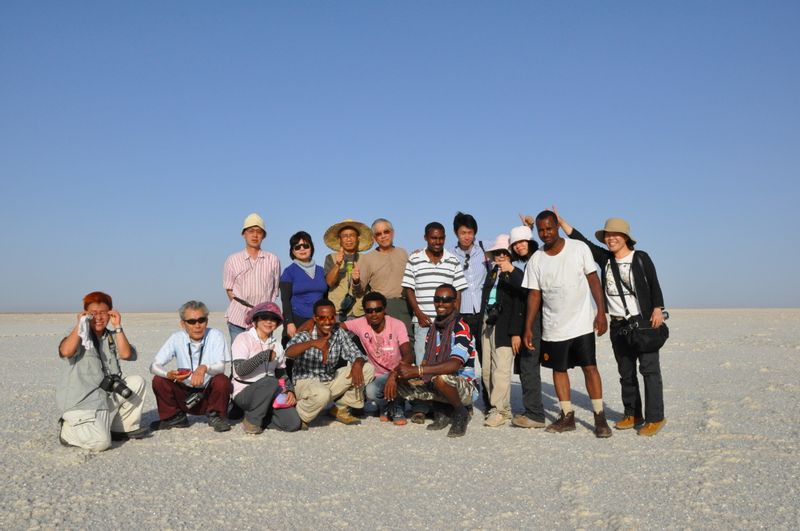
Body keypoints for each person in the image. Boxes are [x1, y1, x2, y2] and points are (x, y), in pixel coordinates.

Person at [557, 211, 667, 436]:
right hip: (618, 326)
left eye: (616, 235)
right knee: (626, 372)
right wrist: (561, 223)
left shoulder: (641, 257)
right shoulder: (606, 259)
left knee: (649, 371)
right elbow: (582, 241)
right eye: (607, 235)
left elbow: (654, 283)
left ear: (626, 237)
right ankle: (632, 414)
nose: (611, 239)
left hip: (644, 322)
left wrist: (658, 308)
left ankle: (656, 417)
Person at [522, 210, 612, 438]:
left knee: (590, 367)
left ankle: (599, 417)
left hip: (581, 323)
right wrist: (528, 327)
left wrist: (601, 313)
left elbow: (594, 280)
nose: (545, 233)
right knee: (558, 370)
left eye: (549, 228)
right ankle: (567, 415)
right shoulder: (536, 259)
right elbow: (534, 295)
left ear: (558, 227)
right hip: (553, 326)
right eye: (541, 230)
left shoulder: (578, 248)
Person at [56, 291, 149, 451]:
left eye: (103, 313)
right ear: (86, 314)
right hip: (82, 403)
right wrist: (80, 325)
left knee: (137, 382)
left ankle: (121, 429)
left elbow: (127, 354)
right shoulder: (78, 335)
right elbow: (66, 351)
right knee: (101, 443)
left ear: (110, 313)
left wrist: (118, 326)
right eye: (93, 314)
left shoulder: (111, 336)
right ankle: (67, 431)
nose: (99, 318)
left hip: (104, 397)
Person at [395, 284, 477, 438]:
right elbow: (427, 362)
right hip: (438, 381)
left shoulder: (461, 328)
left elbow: (454, 364)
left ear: (455, 302)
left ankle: (461, 412)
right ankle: (442, 410)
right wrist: (405, 374)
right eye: (437, 299)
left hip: (464, 385)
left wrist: (418, 371)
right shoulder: (434, 328)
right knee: (399, 382)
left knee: (440, 378)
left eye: (446, 300)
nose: (440, 304)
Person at [285, 299, 375, 427]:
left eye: (331, 317)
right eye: (322, 318)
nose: (327, 322)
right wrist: (312, 343)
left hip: (329, 380)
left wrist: (357, 363)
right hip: (305, 382)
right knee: (322, 394)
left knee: (367, 368)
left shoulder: (338, 332)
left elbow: (356, 354)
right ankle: (300, 415)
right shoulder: (306, 335)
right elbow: (288, 352)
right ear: (315, 318)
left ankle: (339, 409)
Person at [149, 300, 232, 433]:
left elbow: (220, 367)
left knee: (222, 380)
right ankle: (175, 417)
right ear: (183, 324)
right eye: (191, 322)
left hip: (207, 393)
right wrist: (168, 375)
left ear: (207, 321)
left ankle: (217, 417)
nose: (197, 325)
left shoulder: (216, 335)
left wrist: (204, 368)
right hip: (184, 393)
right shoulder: (176, 338)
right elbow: (154, 366)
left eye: (201, 320)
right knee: (159, 380)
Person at [338, 291, 412, 425]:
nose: (374, 314)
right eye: (369, 311)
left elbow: (408, 355)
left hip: (398, 372)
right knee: (371, 391)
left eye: (378, 310)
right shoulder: (360, 323)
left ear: (384, 309)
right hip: (377, 375)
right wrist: (310, 323)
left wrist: (394, 374)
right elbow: (336, 327)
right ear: (365, 312)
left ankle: (397, 405)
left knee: (395, 379)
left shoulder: (397, 324)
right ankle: (385, 406)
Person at [402, 222, 467, 364]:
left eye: (441, 238)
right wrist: (418, 314)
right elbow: (409, 289)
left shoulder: (453, 260)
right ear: (425, 238)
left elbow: (458, 292)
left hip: (447, 324)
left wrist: (454, 318)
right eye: (433, 238)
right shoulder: (414, 259)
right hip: (423, 322)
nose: (437, 242)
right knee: (422, 364)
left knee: (444, 364)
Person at [231, 302, 302, 434]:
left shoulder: (277, 345)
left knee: (293, 423)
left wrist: (289, 391)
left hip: (270, 392)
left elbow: (281, 373)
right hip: (244, 392)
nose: (269, 322)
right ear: (255, 320)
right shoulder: (243, 339)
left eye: (273, 319)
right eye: (264, 317)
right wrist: (263, 356)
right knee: (270, 381)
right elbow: (240, 370)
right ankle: (252, 421)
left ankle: (258, 416)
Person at [480, 235, 527, 427]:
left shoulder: (518, 273)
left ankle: (501, 410)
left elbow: (523, 298)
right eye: (497, 253)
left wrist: (516, 332)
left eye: (504, 252)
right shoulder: (492, 273)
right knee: (486, 369)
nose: (500, 256)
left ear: (510, 254)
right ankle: (495, 406)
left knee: (501, 369)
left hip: (506, 325)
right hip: (488, 322)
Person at [506, 224, 546, 429]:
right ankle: (532, 409)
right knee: (526, 367)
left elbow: (527, 293)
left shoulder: (537, 259)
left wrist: (523, 330)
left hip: (536, 320)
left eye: (523, 241)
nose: (519, 246)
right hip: (532, 320)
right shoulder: (532, 260)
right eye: (515, 243)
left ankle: (536, 414)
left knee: (529, 366)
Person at [223, 213, 281, 344]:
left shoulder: (273, 260)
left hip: (263, 321)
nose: (255, 235)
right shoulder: (232, 260)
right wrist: (244, 308)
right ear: (243, 234)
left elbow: (274, 291)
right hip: (237, 320)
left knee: (263, 360)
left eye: (259, 232)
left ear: (264, 236)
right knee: (240, 362)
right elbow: (229, 290)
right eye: (251, 231)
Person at [451, 212, 489, 409]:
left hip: (483, 313)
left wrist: (529, 228)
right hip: (462, 313)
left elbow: (513, 250)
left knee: (486, 357)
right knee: (464, 357)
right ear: (456, 233)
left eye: (470, 232)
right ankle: (466, 399)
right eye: (463, 232)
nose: (467, 236)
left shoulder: (485, 250)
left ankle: (490, 402)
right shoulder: (450, 255)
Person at [357, 218, 412, 339]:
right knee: (383, 342)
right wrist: (356, 281)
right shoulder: (368, 258)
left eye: (386, 232)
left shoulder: (402, 253)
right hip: (381, 307)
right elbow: (359, 290)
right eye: (378, 234)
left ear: (392, 233)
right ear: (374, 238)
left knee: (407, 340)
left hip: (403, 305)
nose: (383, 236)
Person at [279, 231, 328, 340]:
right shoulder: (289, 272)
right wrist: (289, 323)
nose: (302, 249)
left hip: (320, 322)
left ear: (311, 248)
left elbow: (326, 297)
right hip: (297, 321)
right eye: (297, 247)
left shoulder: (321, 271)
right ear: (292, 251)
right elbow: (285, 300)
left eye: (305, 245)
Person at [323, 219, 374, 320]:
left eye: (352, 235)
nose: (348, 239)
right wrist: (337, 264)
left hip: (360, 312)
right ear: (339, 240)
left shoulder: (366, 259)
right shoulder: (331, 257)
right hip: (338, 311)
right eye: (345, 236)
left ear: (358, 238)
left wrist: (357, 281)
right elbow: (329, 283)